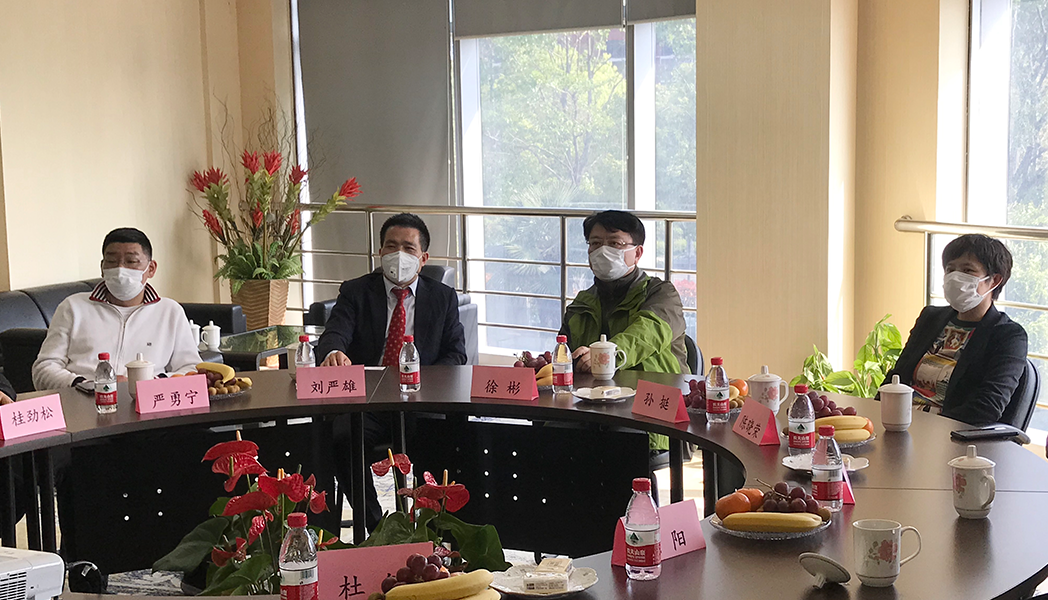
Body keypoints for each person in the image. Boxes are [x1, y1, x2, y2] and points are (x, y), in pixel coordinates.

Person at [316, 213, 466, 530]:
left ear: (423, 258)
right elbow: (334, 335)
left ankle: (432, 532)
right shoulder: (355, 292)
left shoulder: (443, 297)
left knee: (448, 440)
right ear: (380, 252)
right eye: (391, 246)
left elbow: (456, 354)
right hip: (368, 403)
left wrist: (424, 381)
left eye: (409, 248)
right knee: (341, 437)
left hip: (421, 403)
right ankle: (378, 528)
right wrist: (333, 353)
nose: (399, 254)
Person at [560, 210, 688, 461]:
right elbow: (562, 356)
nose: (602, 250)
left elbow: (648, 332)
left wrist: (606, 355)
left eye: (614, 243)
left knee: (618, 445)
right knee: (549, 437)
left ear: (637, 253)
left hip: (648, 412)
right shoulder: (580, 305)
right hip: (588, 410)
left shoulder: (662, 294)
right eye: (595, 243)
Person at [882, 234, 1028, 425]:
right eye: (950, 269)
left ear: (994, 281)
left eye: (968, 270)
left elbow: (987, 407)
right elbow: (897, 377)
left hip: (950, 432)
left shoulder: (1009, 336)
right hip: (899, 424)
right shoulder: (930, 317)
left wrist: (929, 427)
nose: (955, 277)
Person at [32, 228, 201, 391]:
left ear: (151, 269)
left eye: (131, 261)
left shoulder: (170, 311)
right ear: (102, 267)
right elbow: (44, 368)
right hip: (84, 399)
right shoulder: (73, 307)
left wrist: (148, 384)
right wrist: (90, 386)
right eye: (112, 261)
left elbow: (191, 368)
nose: (120, 269)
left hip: (148, 401)